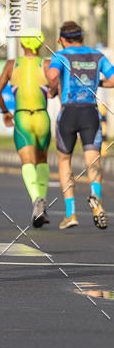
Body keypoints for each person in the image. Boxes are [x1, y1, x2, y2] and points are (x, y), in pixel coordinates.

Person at [47, 21, 114, 230]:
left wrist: (52, 89)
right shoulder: (97, 55)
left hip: (68, 112)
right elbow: (113, 79)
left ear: (62, 40)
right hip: (90, 113)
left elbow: (52, 75)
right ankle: (96, 198)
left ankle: (70, 213)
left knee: (65, 162)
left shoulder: (61, 56)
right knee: (93, 160)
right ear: (81, 37)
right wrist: (96, 83)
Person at [0, 30, 51, 228]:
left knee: (27, 161)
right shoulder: (46, 64)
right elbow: (55, 89)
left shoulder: (12, 64)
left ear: (22, 44)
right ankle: (41, 199)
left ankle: (36, 199)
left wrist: (5, 112)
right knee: (42, 159)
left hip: (22, 117)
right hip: (42, 116)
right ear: (40, 44)